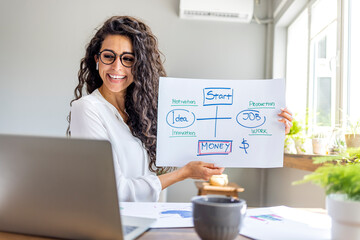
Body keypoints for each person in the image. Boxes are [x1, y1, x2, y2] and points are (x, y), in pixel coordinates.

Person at [68, 16, 293, 202]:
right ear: (97, 58)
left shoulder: (143, 112)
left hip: (148, 221)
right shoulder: (87, 110)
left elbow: (210, 135)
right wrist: (183, 174)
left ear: (140, 66)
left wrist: (270, 126)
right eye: (109, 56)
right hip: (113, 227)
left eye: (128, 59)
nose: (117, 67)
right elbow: (116, 191)